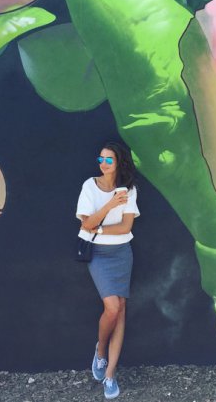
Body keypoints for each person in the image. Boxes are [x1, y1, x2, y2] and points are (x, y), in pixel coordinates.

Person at [76, 141, 139, 399]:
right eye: (100, 159)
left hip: (122, 252)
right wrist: (110, 205)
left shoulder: (129, 189)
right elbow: (86, 223)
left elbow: (125, 227)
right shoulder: (89, 186)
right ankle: (100, 351)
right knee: (112, 307)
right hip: (99, 254)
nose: (103, 164)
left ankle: (110, 374)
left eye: (109, 160)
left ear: (119, 162)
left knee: (121, 309)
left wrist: (99, 229)